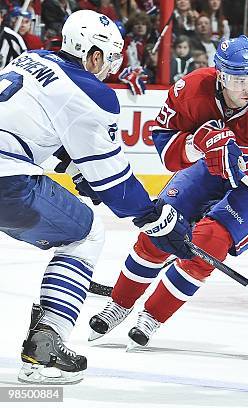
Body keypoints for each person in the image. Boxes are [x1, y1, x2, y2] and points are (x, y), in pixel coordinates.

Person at [88, 36, 248, 347]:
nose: (247, 88)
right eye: (238, 79)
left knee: (208, 244)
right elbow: (165, 141)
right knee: (160, 227)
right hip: (209, 167)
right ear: (221, 75)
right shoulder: (191, 90)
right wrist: (198, 143)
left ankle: (152, 316)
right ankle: (119, 304)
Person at [0, 10, 192, 385]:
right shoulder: (89, 92)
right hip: (7, 181)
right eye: (110, 56)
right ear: (91, 53)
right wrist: (157, 220)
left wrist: (75, 170)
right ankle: (44, 347)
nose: (113, 66)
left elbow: (39, 128)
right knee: (86, 234)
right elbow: (116, 184)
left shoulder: (31, 59)